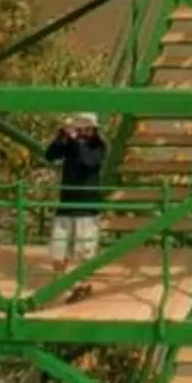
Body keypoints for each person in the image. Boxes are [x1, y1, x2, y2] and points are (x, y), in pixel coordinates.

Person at [43, 114, 110, 301]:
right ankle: (58, 282)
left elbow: (89, 161)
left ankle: (83, 284)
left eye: (86, 128)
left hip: (86, 206)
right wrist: (61, 137)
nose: (82, 131)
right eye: (80, 127)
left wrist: (75, 141)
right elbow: (50, 155)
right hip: (66, 204)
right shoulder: (72, 145)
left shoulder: (98, 146)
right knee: (58, 246)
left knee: (84, 249)